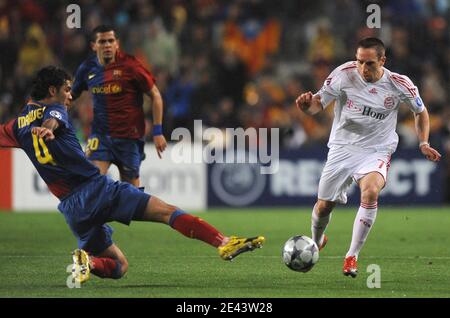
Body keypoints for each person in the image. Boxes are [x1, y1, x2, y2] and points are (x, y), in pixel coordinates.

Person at [0, 66, 265, 284]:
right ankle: (223, 242)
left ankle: (89, 261)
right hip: (97, 191)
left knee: (120, 265)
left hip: (72, 209)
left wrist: (44, 130)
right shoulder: (55, 110)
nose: (70, 96)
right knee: (166, 212)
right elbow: (53, 118)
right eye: (67, 90)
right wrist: (49, 128)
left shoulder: (16, 124)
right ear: (52, 91)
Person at [295, 37, 441, 278]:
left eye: (370, 63)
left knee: (371, 191)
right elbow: (318, 104)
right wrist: (306, 108)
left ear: (383, 61)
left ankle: (351, 256)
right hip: (342, 147)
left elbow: (421, 112)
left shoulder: (399, 84)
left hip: (376, 150)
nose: (363, 68)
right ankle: (316, 240)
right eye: (359, 61)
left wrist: (423, 142)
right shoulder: (343, 74)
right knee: (323, 206)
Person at [71, 25, 166, 187]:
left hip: (129, 138)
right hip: (100, 136)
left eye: (111, 41)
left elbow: (155, 95)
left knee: (132, 194)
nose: (107, 45)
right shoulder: (87, 68)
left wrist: (158, 131)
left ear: (117, 44)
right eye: (102, 41)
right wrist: (52, 111)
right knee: (91, 182)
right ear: (94, 45)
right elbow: (71, 95)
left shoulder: (131, 66)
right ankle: (101, 210)